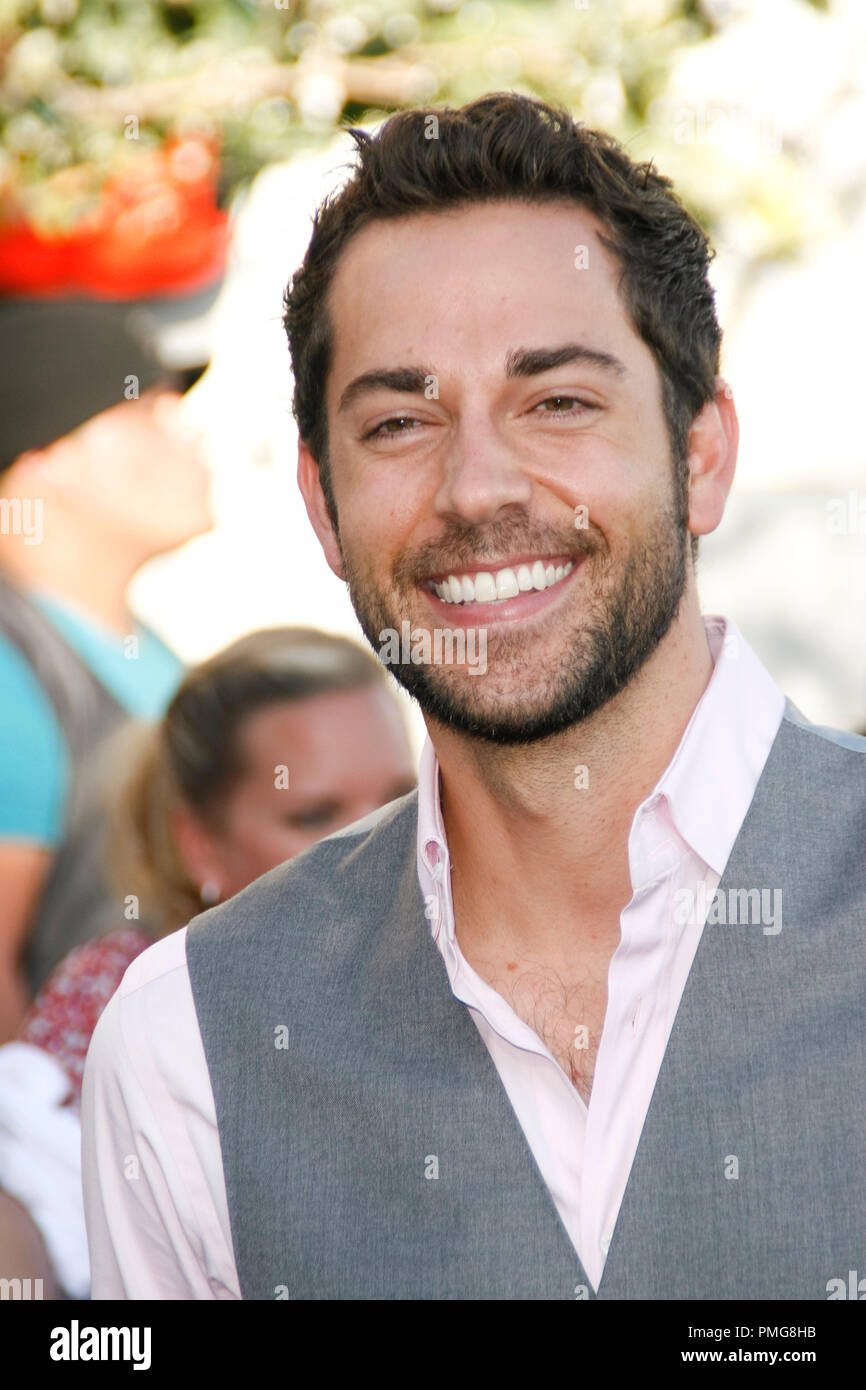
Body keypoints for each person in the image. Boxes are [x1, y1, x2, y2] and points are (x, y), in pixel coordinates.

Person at [81, 93, 866, 1301]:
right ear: (321, 505)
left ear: (699, 454)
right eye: (401, 420)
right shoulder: (187, 1039)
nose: (476, 487)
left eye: (556, 400)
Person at [0, 626, 415, 1297]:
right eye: (315, 814)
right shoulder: (119, 998)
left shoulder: (481, 967)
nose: (378, 842)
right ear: (199, 846)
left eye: (404, 798)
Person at [0, 296, 214, 1039]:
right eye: (146, 407)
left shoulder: (147, 651)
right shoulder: (11, 675)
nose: (186, 428)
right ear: (47, 457)